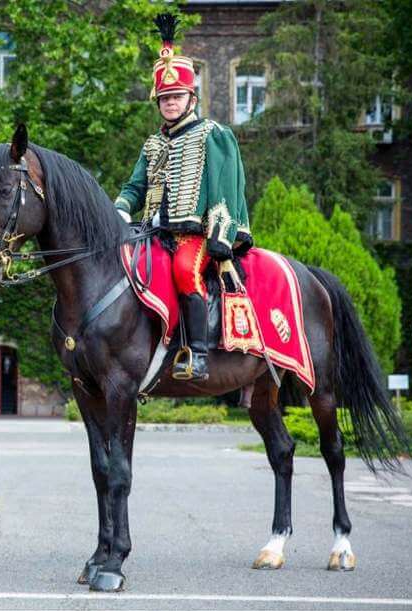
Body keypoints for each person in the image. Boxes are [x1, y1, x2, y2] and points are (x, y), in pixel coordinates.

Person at [113, 14, 253, 381]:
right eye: (164, 98)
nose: (170, 103)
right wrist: (119, 211)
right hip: (152, 231)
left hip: (197, 235)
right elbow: (133, 188)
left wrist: (221, 242)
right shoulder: (153, 144)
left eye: (176, 96)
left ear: (191, 97)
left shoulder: (213, 135)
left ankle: (200, 354)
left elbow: (226, 192)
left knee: (182, 271)